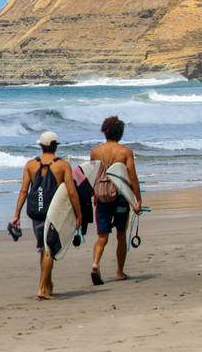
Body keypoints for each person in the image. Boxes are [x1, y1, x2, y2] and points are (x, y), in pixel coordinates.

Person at [10, 131, 80, 300]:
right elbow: (71, 192)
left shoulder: (30, 165)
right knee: (49, 250)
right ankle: (42, 288)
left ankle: (48, 285)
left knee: (43, 248)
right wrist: (78, 214)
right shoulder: (63, 166)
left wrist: (17, 215)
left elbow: (24, 191)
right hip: (53, 213)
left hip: (36, 213)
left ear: (41, 145)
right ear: (56, 145)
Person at [89, 116, 142, 285]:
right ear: (120, 133)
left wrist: (93, 195)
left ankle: (96, 263)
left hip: (102, 197)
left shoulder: (95, 151)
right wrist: (137, 200)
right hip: (120, 198)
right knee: (121, 234)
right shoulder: (125, 152)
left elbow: (93, 175)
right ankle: (119, 272)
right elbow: (132, 177)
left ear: (105, 131)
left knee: (102, 236)